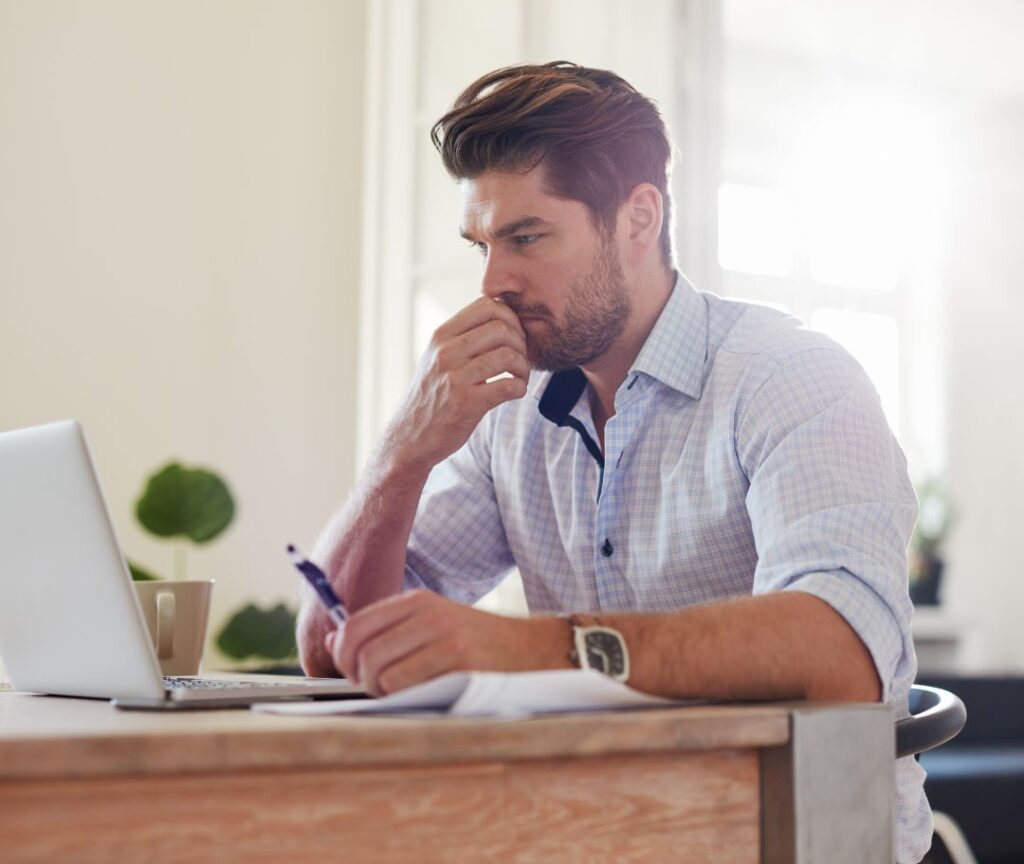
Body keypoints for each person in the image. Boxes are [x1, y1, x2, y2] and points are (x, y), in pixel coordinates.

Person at [297, 61, 929, 863]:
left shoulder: (791, 378)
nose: (493, 282)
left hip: (793, 837)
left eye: (526, 237)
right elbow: (330, 645)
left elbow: (841, 653)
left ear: (637, 219)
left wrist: (530, 650)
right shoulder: (512, 413)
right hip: (597, 835)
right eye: (481, 245)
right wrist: (403, 453)